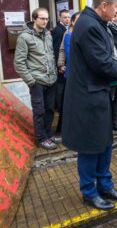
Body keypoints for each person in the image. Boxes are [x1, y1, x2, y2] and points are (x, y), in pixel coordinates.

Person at [62, 0, 117, 211]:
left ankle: (105, 186)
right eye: (115, 7)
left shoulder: (96, 23)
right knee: (90, 147)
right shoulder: (89, 25)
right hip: (87, 99)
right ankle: (89, 193)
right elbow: (102, 63)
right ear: (104, 5)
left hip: (97, 95)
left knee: (104, 144)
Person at [14, 7, 58, 150]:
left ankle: (48, 134)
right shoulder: (24, 37)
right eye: (42, 18)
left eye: (47, 18)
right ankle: (41, 138)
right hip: (37, 81)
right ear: (34, 19)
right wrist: (31, 81)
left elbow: (50, 56)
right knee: (40, 111)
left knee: (50, 109)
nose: (45, 21)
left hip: (51, 80)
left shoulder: (48, 35)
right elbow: (19, 63)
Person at [51, 9, 71, 138]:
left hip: (65, 70)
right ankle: (60, 130)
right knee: (62, 100)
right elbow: (59, 50)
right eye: (65, 17)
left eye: (68, 17)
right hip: (62, 71)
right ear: (60, 18)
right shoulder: (59, 31)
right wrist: (60, 66)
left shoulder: (66, 30)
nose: (67, 19)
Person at [57, 12, 80, 82]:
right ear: (73, 22)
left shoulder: (85, 32)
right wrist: (61, 64)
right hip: (72, 70)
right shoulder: (68, 34)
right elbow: (62, 50)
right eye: (78, 20)